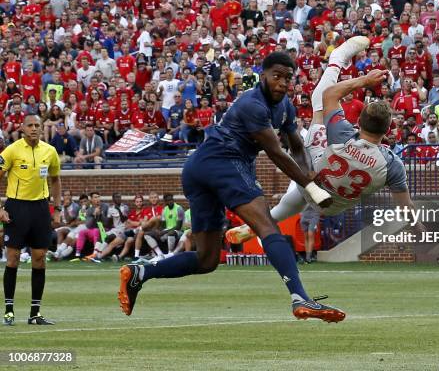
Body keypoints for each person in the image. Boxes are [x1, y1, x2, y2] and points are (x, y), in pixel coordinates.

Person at [118, 51, 342, 323]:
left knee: (206, 259)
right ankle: (300, 298)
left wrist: (308, 175)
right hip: (223, 162)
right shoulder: (253, 104)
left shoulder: (286, 107)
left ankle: (141, 273)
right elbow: (276, 152)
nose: (282, 83)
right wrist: (311, 187)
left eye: (288, 78)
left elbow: (295, 146)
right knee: (267, 227)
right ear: (263, 76)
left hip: (200, 167)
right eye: (277, 76)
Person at [227, 37, 418, 261]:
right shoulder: (392, 163)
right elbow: (405, 208)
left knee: (319, 105)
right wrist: (419, 229)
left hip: (314, 181)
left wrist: (364, 80)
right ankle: (261, 223)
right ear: (387, 130)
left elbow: (330, 95)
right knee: (300, 195)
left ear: (359, 122)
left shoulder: (343, 134)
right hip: (332, 206)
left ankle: (336, 60)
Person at [2, 114, 62, 326]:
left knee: (39, 258)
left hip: (40, 208)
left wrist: (57, 208)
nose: (34, 128)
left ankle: (35, 314)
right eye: (30, 125)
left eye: (38, 125)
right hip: (16, 207)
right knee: (13, 258)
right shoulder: (11, 150)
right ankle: (9, 311)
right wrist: (1, 208)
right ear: (22, 128)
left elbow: (55, 180)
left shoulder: (50, 151)